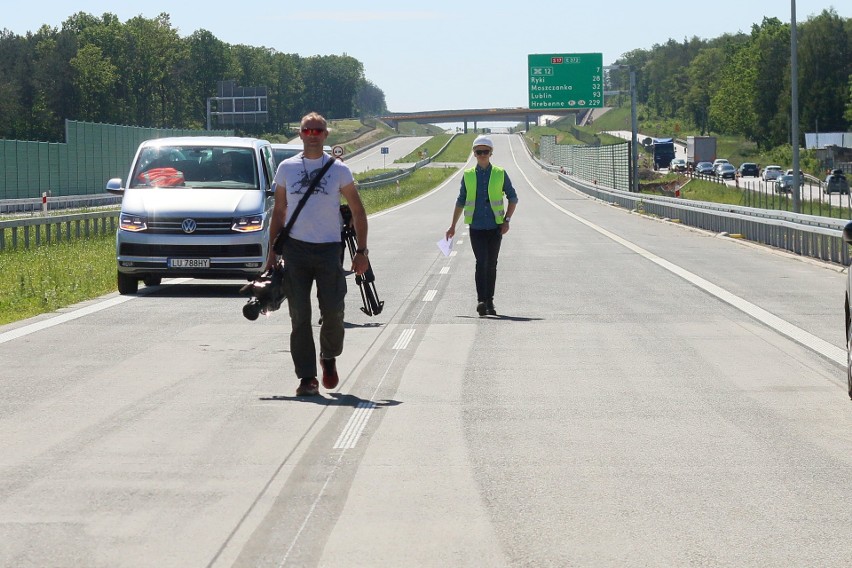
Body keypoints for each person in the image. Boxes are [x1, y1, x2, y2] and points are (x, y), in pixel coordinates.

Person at [266, 112, 369, 397]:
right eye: (307, 130)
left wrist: (361, 251)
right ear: (300, 134)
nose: (312, 135)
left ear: (326, 135)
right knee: (299, 316)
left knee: (334, 312)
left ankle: (328, 356)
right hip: (295, 250)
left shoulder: (339, 170)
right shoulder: (286, 168)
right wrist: (272, 252)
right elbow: (279, 212)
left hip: (329, 250)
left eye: (318, 130)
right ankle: (307, 377)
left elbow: (358, 211)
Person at [445, 135, 518, 316]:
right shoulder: (468, 175)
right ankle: (481, 301)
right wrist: (453, 225)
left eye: (485, 152)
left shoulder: (500, 173)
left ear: (491, 153)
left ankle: (490, 301)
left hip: (495, 227)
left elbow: (513, 198)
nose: (482, 155)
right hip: (476, 227)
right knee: (481, 262)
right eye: (479, 152)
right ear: (474, 154)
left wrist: (507, 220)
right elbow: (460, 201)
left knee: (491, 264)